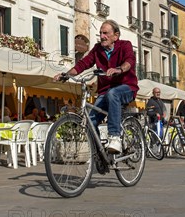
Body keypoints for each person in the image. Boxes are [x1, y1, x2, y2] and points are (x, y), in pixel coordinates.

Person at [54, 20, 138, 154]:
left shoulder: (125, 45)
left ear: (115, 36)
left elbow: (129, 61)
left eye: (106, 33)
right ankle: (100, 155)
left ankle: (114, 137)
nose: (102, 36)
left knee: (113, 93)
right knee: (90, 121)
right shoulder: (97, 49)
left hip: (126, 87)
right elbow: (83, 64)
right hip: (105, 91)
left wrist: (119, 69)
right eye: (100, 33)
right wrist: (66, 74)